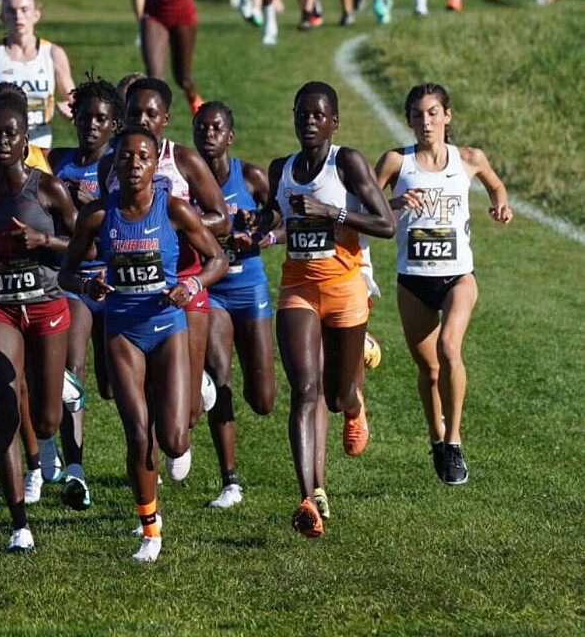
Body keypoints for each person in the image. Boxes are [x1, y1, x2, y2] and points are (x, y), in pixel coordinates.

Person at [60, 126, 227, 561]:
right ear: (113, 166)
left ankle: (198, 389)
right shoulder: (97, 215)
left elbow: (218, 259)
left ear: (156, 165)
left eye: (142, 157)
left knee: (173, 440)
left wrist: (190, 286)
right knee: (138, 433)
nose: (134, 164)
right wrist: (87, 285)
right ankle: (150, 531)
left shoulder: (173, 210)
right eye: (126, 157)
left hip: (168, 327)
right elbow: (66, 273)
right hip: (122, 331)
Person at [248, 82, 394, 537]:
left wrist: (333, 212)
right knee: (305, 389)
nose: (309, 121)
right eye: (302, 114)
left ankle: (354, 404)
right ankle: (309, 497)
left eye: (318, 115)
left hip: (345, 288)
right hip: (299, 288)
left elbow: (386, 224)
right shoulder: (282, 168)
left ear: (334, 122)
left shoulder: (346, 163)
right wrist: (258, 225)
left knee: (334, 396)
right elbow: (277, 215)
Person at [375, 83, 513, 485]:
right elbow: (360, 206)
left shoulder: (469, 158)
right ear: (408, 120)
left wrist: (501, 204)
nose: (426, 122)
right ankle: (436, 438)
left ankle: (453, 440)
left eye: (433, 113)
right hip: (413, 280)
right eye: (417, 114)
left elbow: (495, 184)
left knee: (449, 348)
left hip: (458, 277)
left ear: (447, 116)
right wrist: (395, 203)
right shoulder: (396, 162)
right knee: (430, 371)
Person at [98, 78, 229, 481]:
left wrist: (177, 224)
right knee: (137, 398)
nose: (142, 119)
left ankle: (196, 389)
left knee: (185, 416)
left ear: (165, 119)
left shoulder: (183, 159)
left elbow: (222, 219)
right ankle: (146, 478)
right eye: (134, 112)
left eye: (150, 114)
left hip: (184, 282)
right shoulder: (112, 163)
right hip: (131, 295)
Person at [0, 90, 78, 552]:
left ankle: (60, 385)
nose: (2, 141)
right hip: (2, 308)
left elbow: (84, 244)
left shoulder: (48, 188)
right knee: (7, 410)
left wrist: (42, 240)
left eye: (10, 133)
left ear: (25, 139)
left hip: (48, 306)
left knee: (47, 421)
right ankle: (19, 525)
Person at [192, 102, 275, 508]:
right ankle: (230, 482)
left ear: (230, 136)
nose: (208, 134)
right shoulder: (185, 182)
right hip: (211, 290)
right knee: (219, 372)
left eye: (216, 128)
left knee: (263, 400)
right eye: (201, 127)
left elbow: (280, 215)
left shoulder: (252, 177)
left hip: (249, 287)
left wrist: (257, 230)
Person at [49, 74, 124, 511]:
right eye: (84, 116)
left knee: (113, 384)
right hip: (74, 282)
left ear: (114, 124)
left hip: (114, 284)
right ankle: (74, 468)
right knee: (71, 371)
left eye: (101, 119)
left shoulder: (121, 165)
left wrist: (80, 206)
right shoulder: (56, 161)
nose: (91, 125)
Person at [0, 0, 76, 150]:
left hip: (40, 147)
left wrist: (72, 113)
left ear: (36, 15)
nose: (18, 16)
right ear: (2, 18)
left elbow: (75, 102)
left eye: (24, 10)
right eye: (11, 11)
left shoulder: (53, 54)